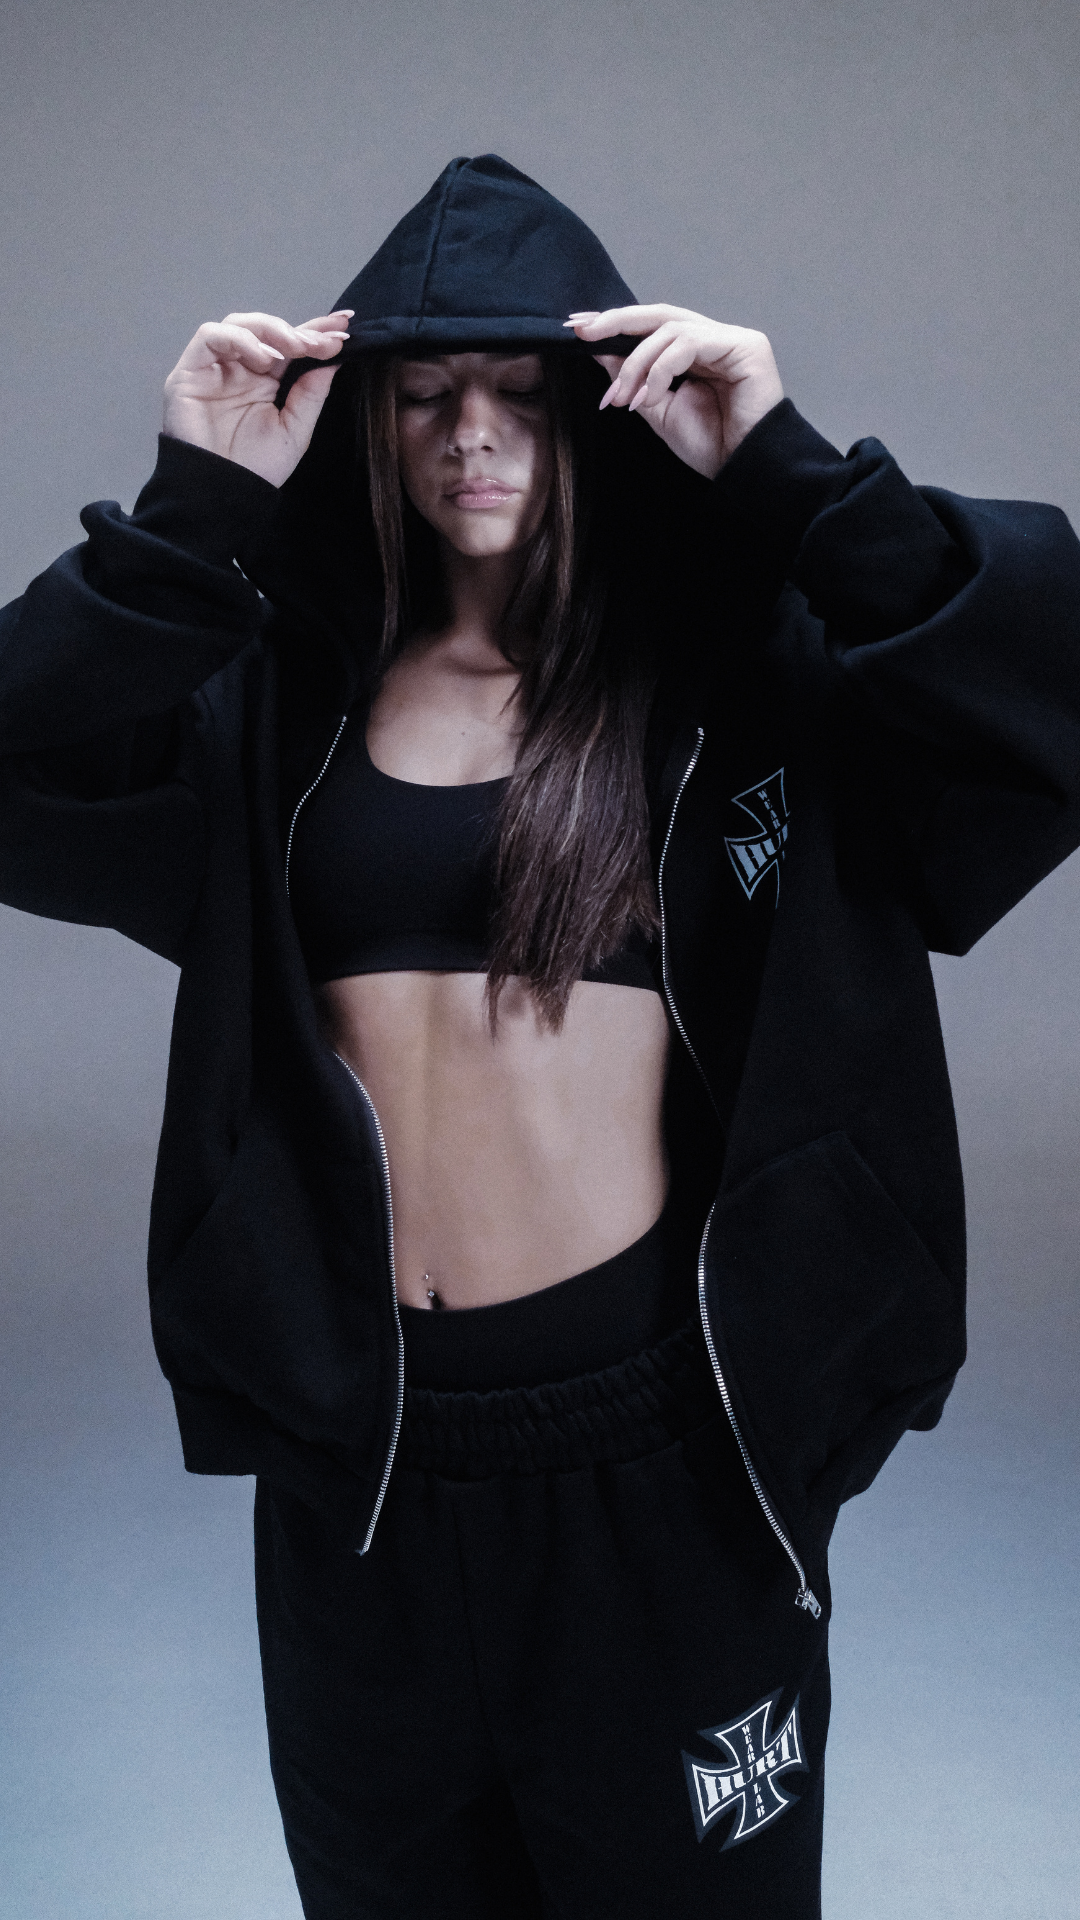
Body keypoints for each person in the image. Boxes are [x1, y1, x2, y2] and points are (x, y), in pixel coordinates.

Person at [2, 152, 1078, 1918]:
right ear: (374, 422)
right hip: (368, 1478)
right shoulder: (278, 693)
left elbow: (1051, 697)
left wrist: (796, 477)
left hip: (657, 1462)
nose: (473, 436)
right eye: (427, 396)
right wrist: (192, 509)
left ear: (593, 417)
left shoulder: (739, 681)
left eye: (518, 393)